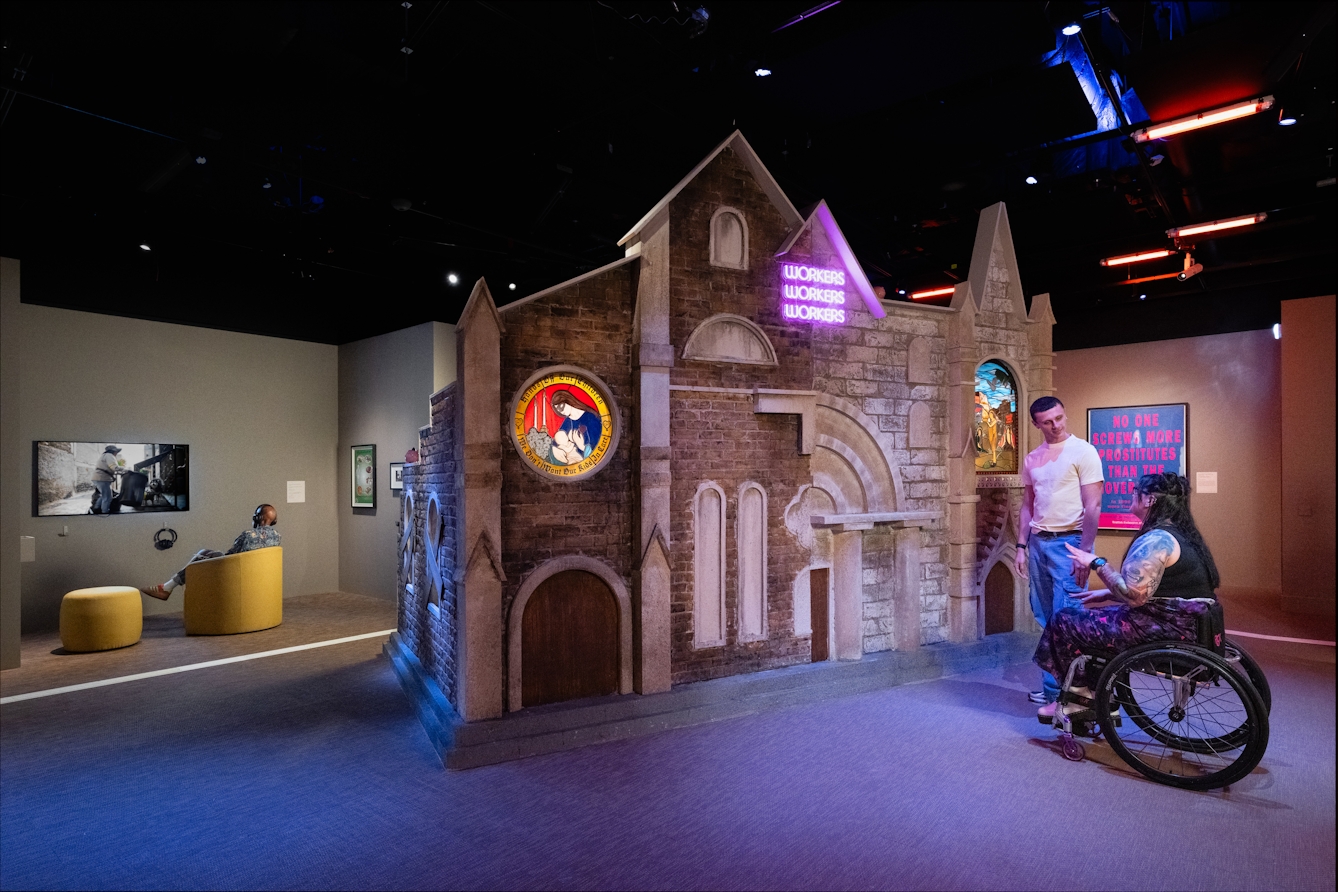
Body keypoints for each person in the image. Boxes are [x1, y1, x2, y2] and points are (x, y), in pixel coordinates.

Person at [1033, 473, 1220, 717]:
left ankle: (1079, 697)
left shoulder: (1157, 539)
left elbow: (1135, 597)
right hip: (1182, 623)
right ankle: (1095, 691)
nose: (1132, 496)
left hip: (1161, 628)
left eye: (1136, 492)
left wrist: (1096, 563)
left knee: (1064, 621)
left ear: (1149, 500)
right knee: (1088, 619)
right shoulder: (1181, 534)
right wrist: (1107, 594)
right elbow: (1157, 591)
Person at [1014, 396, 1104, 705]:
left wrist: (1086, 551)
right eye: (1048, 421)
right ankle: (1055, 690)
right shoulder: (1033, 458)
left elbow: (1093, 504)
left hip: (1071, 543)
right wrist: (1021, 546)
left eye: (1060, 418)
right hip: (1039, 542)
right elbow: (1027, 506)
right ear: (1036, 423)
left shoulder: (1084, 451)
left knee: (1069, 617)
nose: (1056, 425)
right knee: (1044, 614)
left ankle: (1074, 693)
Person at [141, 504, 280, 600]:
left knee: (203, 554)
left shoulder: (248, 535)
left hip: (235, 574)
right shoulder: (277, 537)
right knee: (207, 553)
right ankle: (167, 587)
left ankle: (167, 587)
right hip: (258, 577)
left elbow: (231, 557)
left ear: (257, 518)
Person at [549, 389, 602, 465]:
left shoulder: (591, 418)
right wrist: (557, 449)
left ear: (568, 400)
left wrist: (582, 446)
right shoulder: (568, 421)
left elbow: (598, 445)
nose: (561, 411)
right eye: (558, 409)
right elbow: (557, 441)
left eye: (561, 406)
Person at [91, 445, 125, 514]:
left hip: (98, 478)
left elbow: (109, 469)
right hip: (102, 478)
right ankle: (105, 512)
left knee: (104, 495)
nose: (117, 453)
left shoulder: (104, 455)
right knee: (108, 497)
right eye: (116, 451)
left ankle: (96, 508)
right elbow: (114, 467)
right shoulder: (109, 455)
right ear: (113, 451)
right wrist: (125, 470)